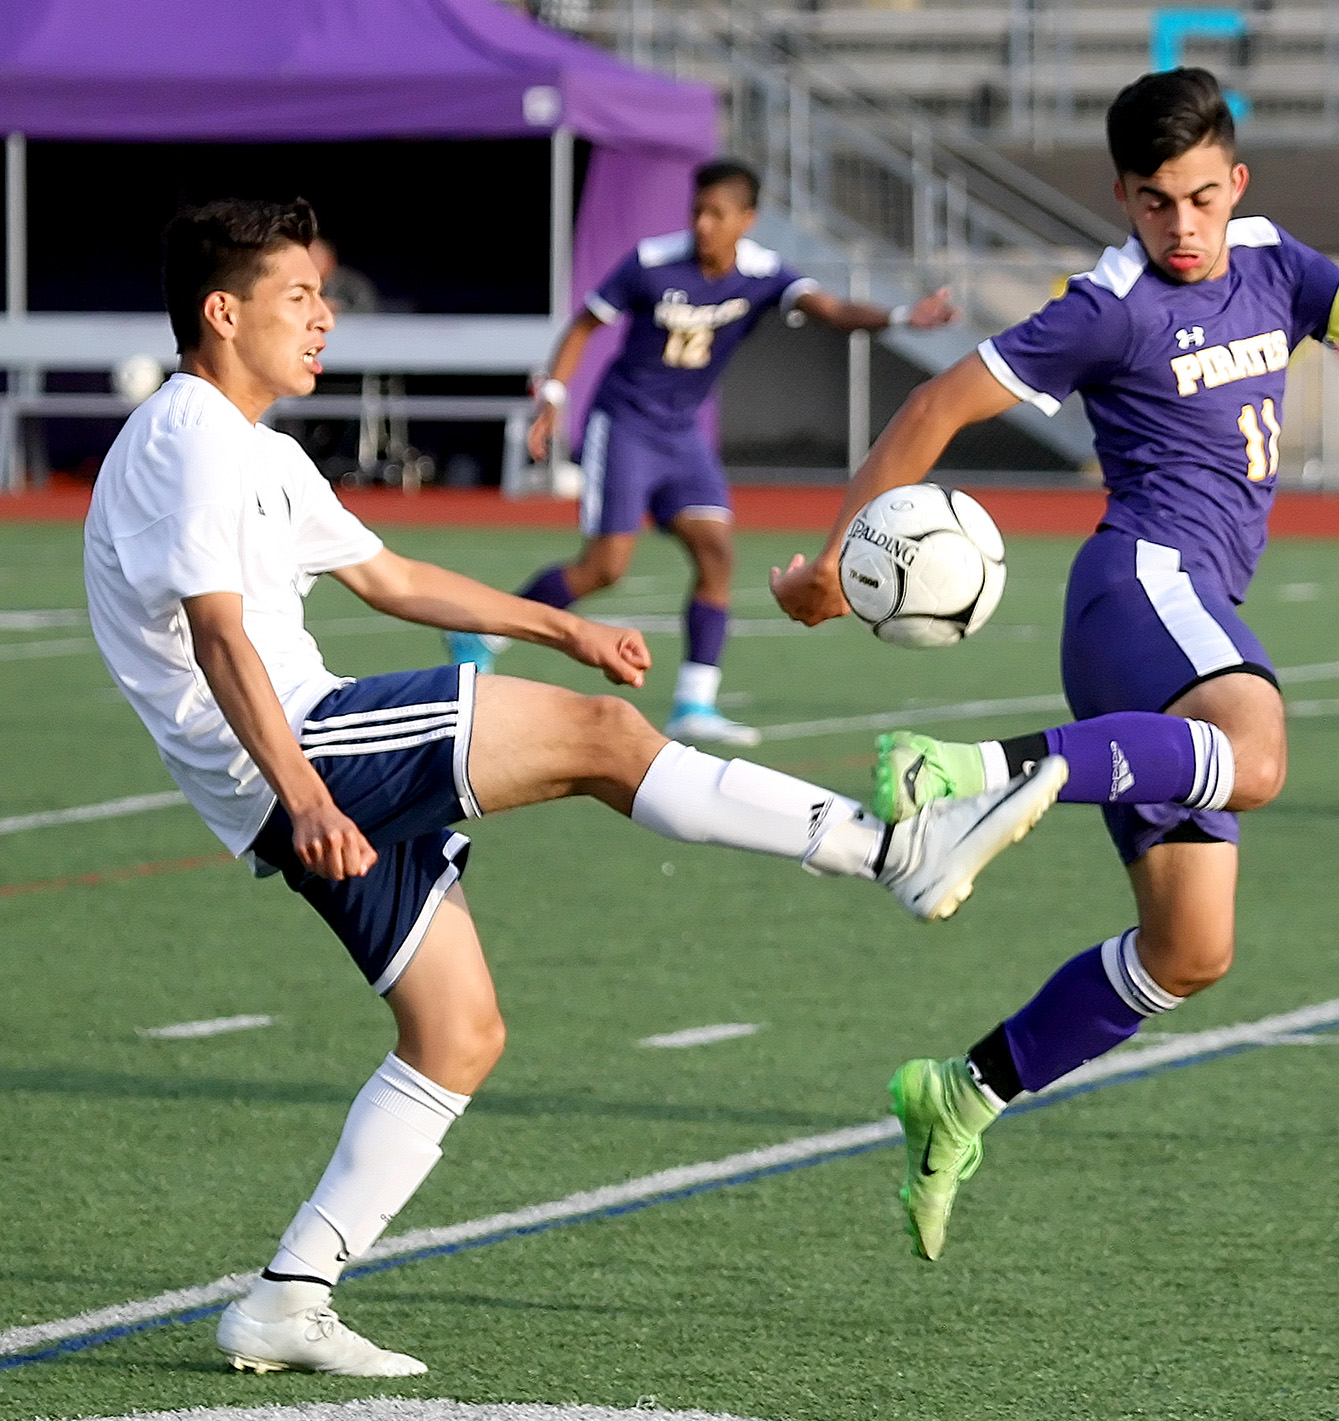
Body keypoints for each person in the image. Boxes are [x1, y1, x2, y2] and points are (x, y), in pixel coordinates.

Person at [82, 197, 1065, 1374]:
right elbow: (222, 638)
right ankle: (893, 851)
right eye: (300, 297)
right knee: (605, 740)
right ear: (221, 310)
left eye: (325, 295)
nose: (325, 318)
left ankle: (289, 1296)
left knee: (457, 1032)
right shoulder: (188, 433)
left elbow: (390, 577)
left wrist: (560, 626)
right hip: (299, 747)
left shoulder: (259, 449)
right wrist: (303, 791)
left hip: (295, 768)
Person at [771, 68, 1339, 1262]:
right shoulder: (1105, 305)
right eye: (1157, 202)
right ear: (1122, 194)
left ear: (1239, 185)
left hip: (1178, 617)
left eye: (1203, 198)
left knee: (1189, 950)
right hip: (1138, 590)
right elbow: (934, 411)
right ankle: (965, 771)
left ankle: (963, 1091)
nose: (1184, 225)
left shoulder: (1278, 261)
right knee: (1259, 755)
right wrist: (832, 558)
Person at [446, 157, 957, 747]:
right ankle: (484, 632)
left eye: (717, 214)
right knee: (605, 568)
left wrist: (901, 317)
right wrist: (554, 395)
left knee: (715, 551)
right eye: (697, 211)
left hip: (684, 436)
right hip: (627, 425)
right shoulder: (651, 263)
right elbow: (585, 325)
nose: (704, 224)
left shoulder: (763, 273)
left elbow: (833, 312)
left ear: (747, 219)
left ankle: (694, 703)